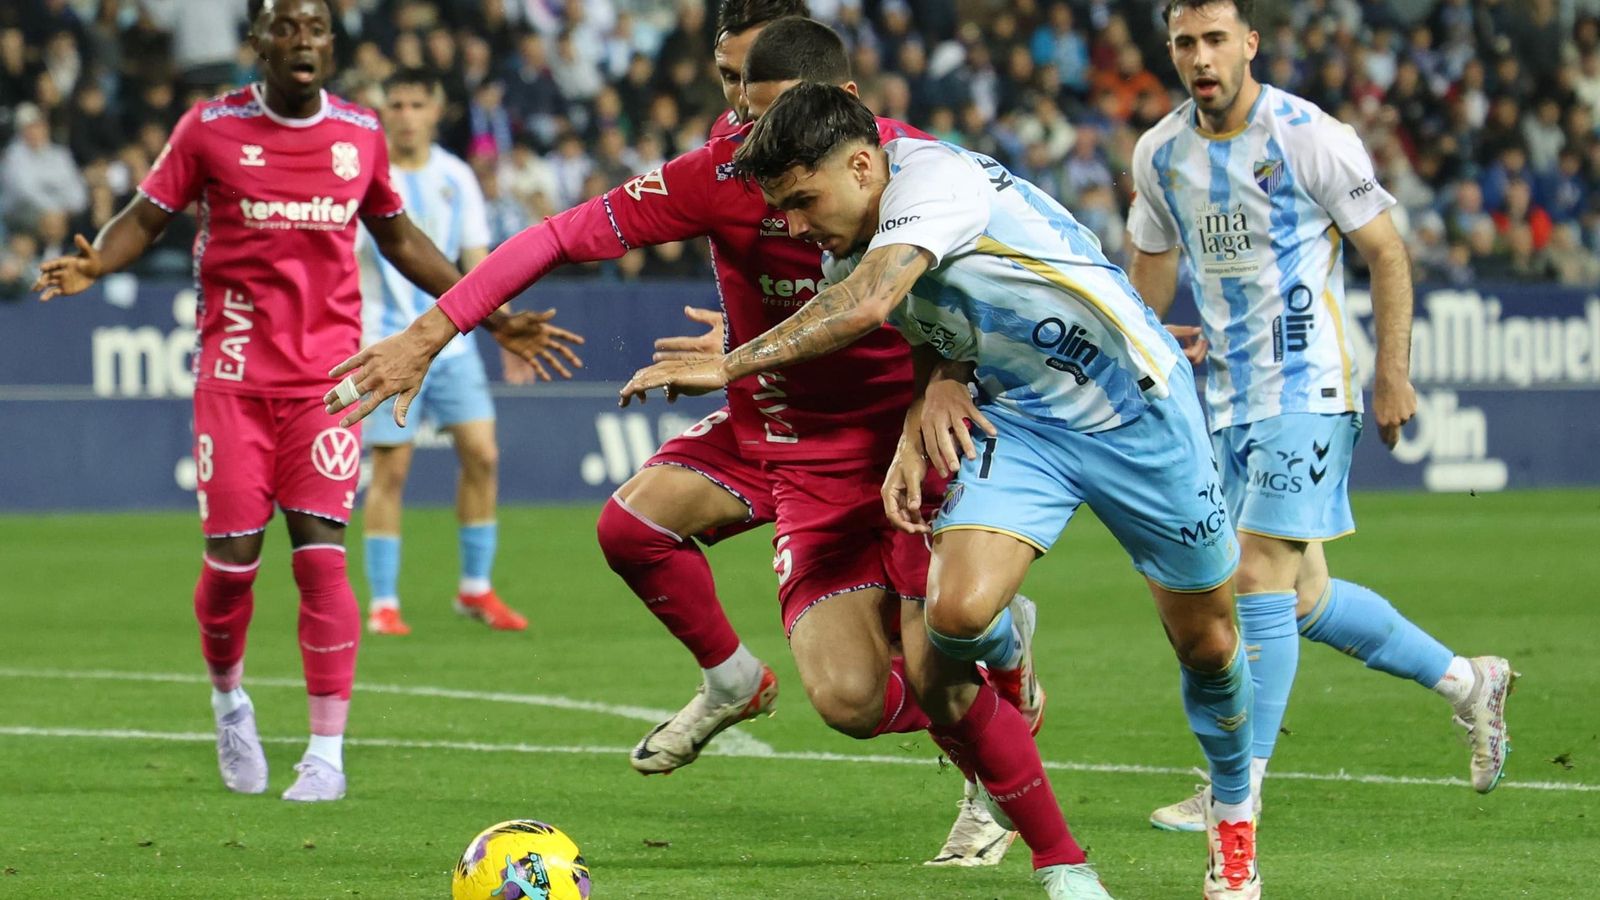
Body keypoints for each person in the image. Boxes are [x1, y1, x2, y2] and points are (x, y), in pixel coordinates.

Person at [326, 15, 1065, 878]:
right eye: (730, 89)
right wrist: (430, 334)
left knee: (934, 651)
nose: (754, 129)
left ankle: (995, 766)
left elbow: (981, 293)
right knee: (813, 671)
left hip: (900, 435)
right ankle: (732, 680)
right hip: (778, 425)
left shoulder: (916, 169)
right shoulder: (723, 167)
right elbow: (558, 236)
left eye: (758, 92)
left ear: (842, 101)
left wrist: (943, 382)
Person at [618, 82, 1263, 900]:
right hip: (1025, 418)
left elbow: (873, 300)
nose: (794, 225)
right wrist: (933, 390)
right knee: (955, 616)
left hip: (1138, 408)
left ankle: (1235, 811)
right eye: (782, 208)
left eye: (803, 200)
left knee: (1206, 642)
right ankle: (1046, 797)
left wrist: (732, 361)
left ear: (861, 163)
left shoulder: (936, 182)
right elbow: (923, 318)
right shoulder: (846, 238)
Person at [32, 0, 580, 803]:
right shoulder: (208, 128)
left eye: (317, 29)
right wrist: (96, 264)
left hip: (330, 381)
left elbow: (400, 239)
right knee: (232, 567)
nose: (303, 41)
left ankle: (327, 753)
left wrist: (491, 315)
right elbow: (145, 219)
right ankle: (229, 701)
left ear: (332, 45)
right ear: (257, 40)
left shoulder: (359, 135)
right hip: (234, 379)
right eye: (285, 27)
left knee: (322, 556)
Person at [1123, 0, 1515, 832]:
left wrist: (1393, 374)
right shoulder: (1159, 154)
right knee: (1298, 601)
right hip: (1222, 400)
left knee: (1253, 579)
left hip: (1307, 388)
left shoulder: (1311, 136)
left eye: (1217, 40)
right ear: (1171, 49)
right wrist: (1139, 350)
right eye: (1186, 42)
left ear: (1250, 45)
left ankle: (1237, 794)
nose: (1202, 57)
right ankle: (1469, 681)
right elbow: (1151, 268)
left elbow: (1387, 252)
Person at [357, 68, 541, 637]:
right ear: (383, 111)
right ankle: (383, 603)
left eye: (417, 102)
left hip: (452, 345)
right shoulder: (363, 174)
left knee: (483, 454)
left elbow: (480, 267)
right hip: (383, 343)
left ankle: (475, 588)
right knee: (392, 468)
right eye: (397, 102)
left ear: (436, 111)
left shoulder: (456, 177)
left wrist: (502, 329)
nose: (406, 113)